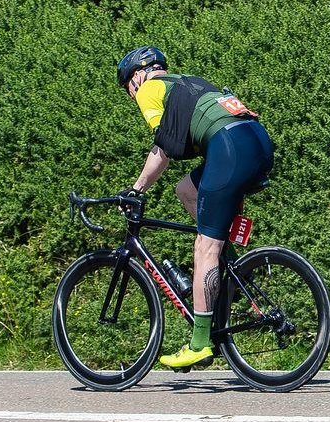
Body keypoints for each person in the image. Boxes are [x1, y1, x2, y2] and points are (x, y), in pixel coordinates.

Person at [115, 46, 275, 370]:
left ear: (136, 77)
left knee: (204, 247)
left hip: (229, 147)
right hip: (257, 142)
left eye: (127, 90)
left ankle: (199, 344)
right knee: (186, 190)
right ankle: (228, 268)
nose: (131, 97)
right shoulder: (189, 81)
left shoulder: (150, 89)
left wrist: (135, 191)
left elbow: (163, 149)